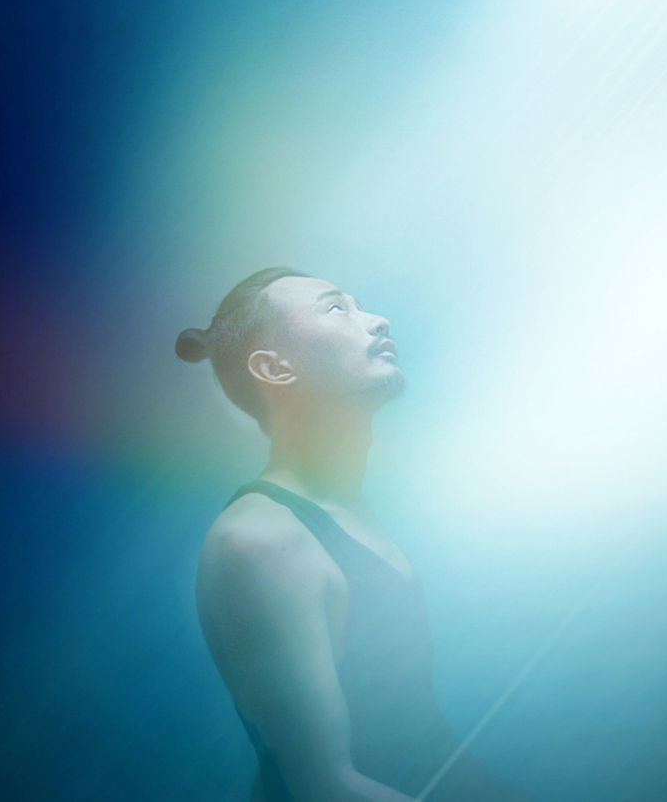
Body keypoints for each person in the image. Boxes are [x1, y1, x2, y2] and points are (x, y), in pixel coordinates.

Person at [176, 267, 525, 801]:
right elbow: (321, 789)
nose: (377, 321)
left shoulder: (361, 500)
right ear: (275, 367)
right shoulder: (259, 542)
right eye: (336, 309)